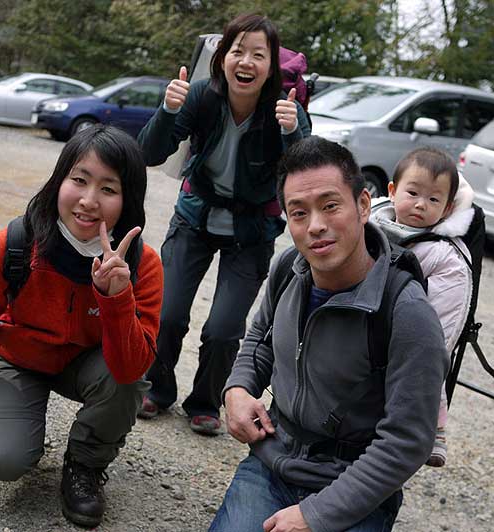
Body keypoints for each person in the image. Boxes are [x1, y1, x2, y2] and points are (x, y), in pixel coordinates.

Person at [0, 125, 164, 528]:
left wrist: (116, 298)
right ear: (58, 180)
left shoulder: (141, 264)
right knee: (4, 459)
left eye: (108, 189)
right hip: (18, 360)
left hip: (87, 364)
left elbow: (131, 368)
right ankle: (1, 406)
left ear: (127, 199)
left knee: (128, 380)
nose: (88, 201)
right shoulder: (12, 245)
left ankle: (84, 465)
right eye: (79, 180)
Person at [212, 137, 448, 532]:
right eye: (299, 212)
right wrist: (237, 388)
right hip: (272, 466)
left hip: (355, 488)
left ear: (363, 205)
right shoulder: (289, 267)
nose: (316, 226)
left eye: (330, 205)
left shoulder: (407, 312)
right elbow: (260, 337)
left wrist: (314, 515)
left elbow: (407, 441)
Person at [137, 13, 310, 435]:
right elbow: (148, 153)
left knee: (224, 328)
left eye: (258, 54)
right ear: (222, 58)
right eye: (237, 51)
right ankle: (157, 390)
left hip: (250, 233)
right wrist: (167, 110)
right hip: (195, 218)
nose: (245, 62)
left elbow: (305, 174)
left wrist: (293, 133)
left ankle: (205, 402)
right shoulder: (201, 97)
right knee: (169, 312)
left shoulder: (285, 111)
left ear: (270, 67)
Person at [371, 147, 475, 468]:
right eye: (413, 193)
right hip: (356, 340)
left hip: (402, 349)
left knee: (427, 369)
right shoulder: (367, 227)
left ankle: (431, 429)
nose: (420, 204)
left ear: (446, 209)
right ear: (392, 191)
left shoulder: (446, 259)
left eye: (433, 200)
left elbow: (439, 332)